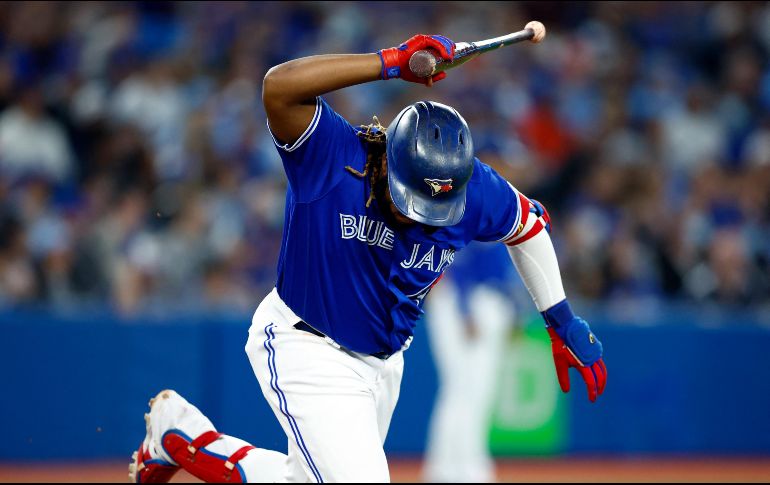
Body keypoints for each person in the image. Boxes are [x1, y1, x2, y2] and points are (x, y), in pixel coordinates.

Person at [128, 33, 606, 484]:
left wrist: (559, 318)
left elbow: (530, 227)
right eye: (415, 198)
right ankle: (185, 439)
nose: (427, 215)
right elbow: (278, 87)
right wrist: (391, 62)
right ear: (389, 160)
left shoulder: (472, 186)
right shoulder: (333, 156)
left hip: (383, 364)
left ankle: (184, 438)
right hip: (307, 345)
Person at [423, 241, 519, 483]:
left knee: (468, 391)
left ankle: (448, 467)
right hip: (466, 302)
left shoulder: (508, 211)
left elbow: (505, 270)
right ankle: (461, 469)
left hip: (485, 301)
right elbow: (462, 257)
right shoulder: (472, 208)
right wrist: (465, 310)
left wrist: (514, 312)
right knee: (464, 389)